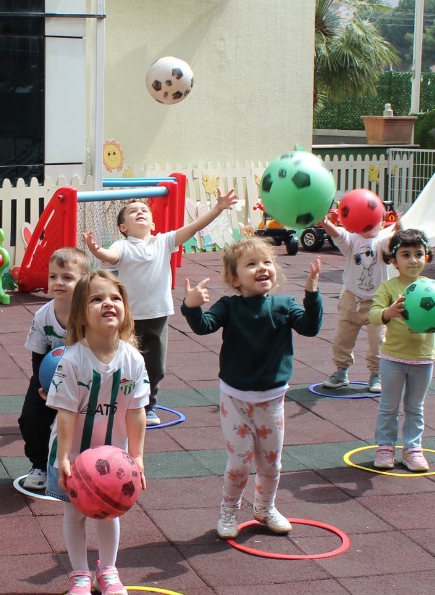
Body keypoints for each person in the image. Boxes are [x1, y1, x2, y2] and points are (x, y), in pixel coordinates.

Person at [182, 239, 324, 539]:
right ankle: (229, 509)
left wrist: (312, 293)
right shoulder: (229, 306)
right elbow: (204, 326)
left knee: (271, 464)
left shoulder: (285, 305)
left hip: (272, 400)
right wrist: (192, 307)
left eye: (266, 262)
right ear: (235, 279)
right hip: (236, 400)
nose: (262, 268)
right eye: (251, 264)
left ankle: (264, 507)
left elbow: (310, 328)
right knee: (239, 463)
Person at [84, 188, 238, 426]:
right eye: (133, 211)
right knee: (124, 362)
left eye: (144, 210)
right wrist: (97, 250)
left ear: (153, 224)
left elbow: (193, 228)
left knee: (155, 366)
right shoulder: (123, 245)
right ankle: (119, 402)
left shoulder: (164, 242)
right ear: (123, 227)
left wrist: (218, 208)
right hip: (129, 318)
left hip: (157, 316)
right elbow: (111, 256)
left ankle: (148, 406)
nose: (140, 212)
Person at [47, 270, 149, 595]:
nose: (108, 303)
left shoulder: (133, 359)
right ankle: (80, 574)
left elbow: (136, 411)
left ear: (125, 309)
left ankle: (108, 571)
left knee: (110, 512)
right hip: (74, 454)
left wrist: (137, 456)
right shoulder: (72, 361)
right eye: (96, 299)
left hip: (114, 458)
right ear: (80, 315)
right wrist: (64, 458)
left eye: (115, 298)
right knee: (74, 513)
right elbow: (66, 413)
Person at [369, 228, 435, 471]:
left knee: (415, 407)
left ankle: (412, 449)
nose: (413, 260)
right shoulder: (388, 288)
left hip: (423, 359)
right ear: (394, 260)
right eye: (406, 255)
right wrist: (389, 312)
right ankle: (385, 447)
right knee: (389, 405)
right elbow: (373, 314)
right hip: (393, 358)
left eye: (418, 254)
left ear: (426, 257)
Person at [17, 247, 91, 493]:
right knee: (31, 419)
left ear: (84, 282)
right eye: (53, 276)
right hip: (48, 377)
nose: (58, 282)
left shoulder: (89, 313)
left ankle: (86, 465)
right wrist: (44, 387)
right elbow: (37, 355)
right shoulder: (43, 315)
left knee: (86, 422)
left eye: (67, 277)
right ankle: (39, 465)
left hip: (85, 377)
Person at [319, 209, 387, 393]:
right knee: (342, 338)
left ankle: (377, 374)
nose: (369, 224)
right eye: (365, 219)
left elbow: (396, 244)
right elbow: (338, 235)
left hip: (377, 301)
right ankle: (341, 371)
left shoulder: (383, 241)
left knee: (378, 340)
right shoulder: (352, 240)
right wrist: (324, 222)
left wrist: (400, 227)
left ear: (382, 223)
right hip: (351, 299)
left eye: (374, 219)